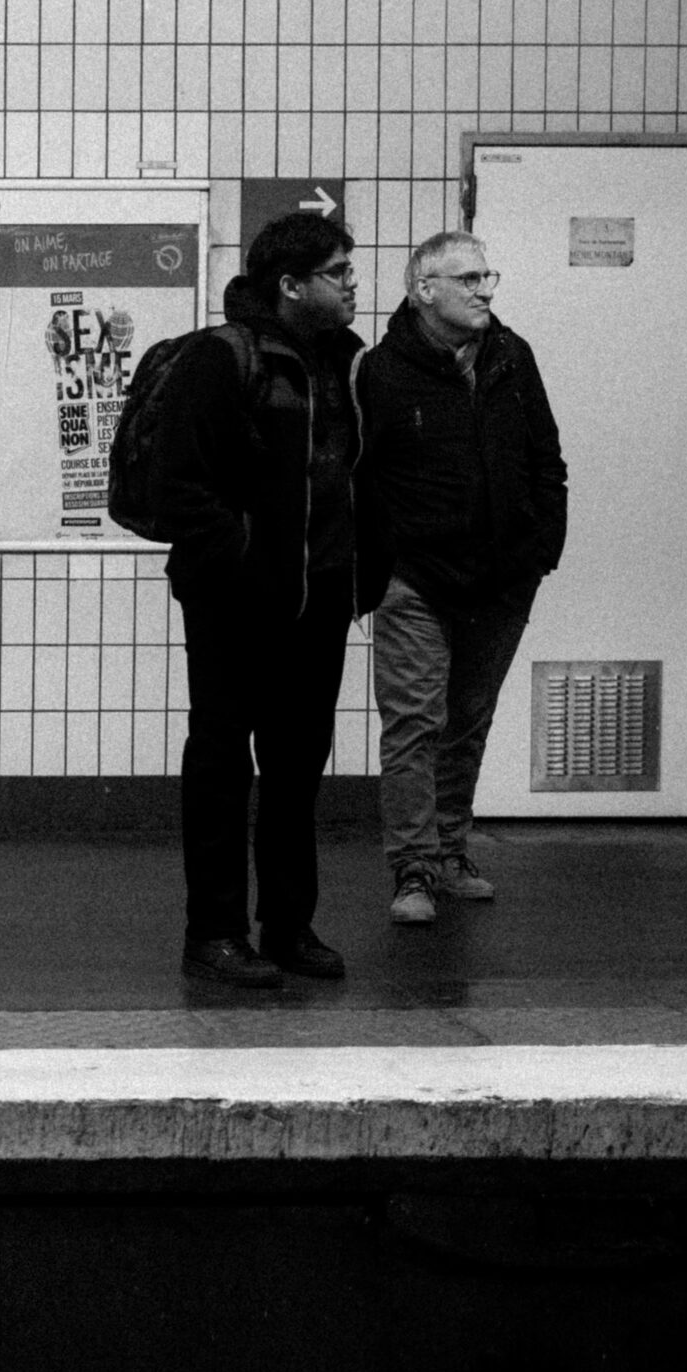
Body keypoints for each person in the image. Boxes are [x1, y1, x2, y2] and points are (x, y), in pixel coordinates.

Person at [150, 212, 365, 988]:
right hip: (234, 600)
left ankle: (288, 924)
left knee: (297, 764)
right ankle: (213, 932)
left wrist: (360, 571)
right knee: (221, 761)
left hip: (321, 595)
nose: (352, 284)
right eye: (338, 272)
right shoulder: (223, 356)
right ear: (291, 284)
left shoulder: (345, 360)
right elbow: (179, 483)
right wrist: (241, 561)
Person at [358, 232, 567, 924]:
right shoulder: (382, 371)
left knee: (469, 720)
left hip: (503, 577)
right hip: (415, 580)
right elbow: (362, 476)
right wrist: (380, 565)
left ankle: (450, 852)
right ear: (424, 289)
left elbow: (546, 458)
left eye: (487, 276)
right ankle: (413, 867)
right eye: (468, 279)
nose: (485, 290)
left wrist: (542, 549)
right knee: (414, 724)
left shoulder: (512, 356)